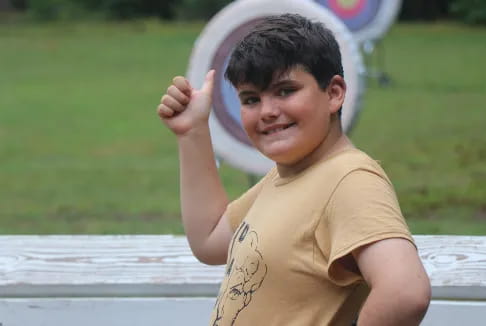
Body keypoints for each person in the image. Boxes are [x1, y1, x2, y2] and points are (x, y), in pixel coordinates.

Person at [157, 13, 431, 326]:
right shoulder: (288, 175)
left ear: (334, 93)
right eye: (251, 99)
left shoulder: (350, 179)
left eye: (285, 91)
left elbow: (405, 292)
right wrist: (193, 132)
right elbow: (210, 239)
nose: (268, 111)